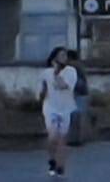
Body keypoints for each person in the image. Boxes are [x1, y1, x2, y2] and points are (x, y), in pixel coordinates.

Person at [40, 46, 78, 178]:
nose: (64, 58)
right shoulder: (46, 72)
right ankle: (52, 160)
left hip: (66, 108)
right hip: (51, 107)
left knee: (62, 139)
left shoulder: (71, 71)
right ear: (54, 57)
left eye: (65, 55)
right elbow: (43, 88)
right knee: (52, 137)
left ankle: (60, 165)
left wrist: (57, 74)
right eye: (61, 55)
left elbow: (64, 86)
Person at [66, 49, 88, 146]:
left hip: (77, 94)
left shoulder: (73, 66)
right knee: (79, 117)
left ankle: (74, 140)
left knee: (74, 117)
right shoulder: (80, 66)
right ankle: (79, 139)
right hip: (83, 93)